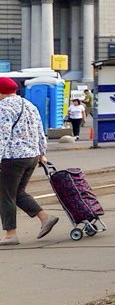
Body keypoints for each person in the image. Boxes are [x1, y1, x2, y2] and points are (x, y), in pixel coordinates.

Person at [0, 76, 58, 245]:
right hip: (31, 156)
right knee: (17, 192)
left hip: (12, 157)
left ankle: (10, 234)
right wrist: (42, 153)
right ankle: (45, 218)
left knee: (5, 194)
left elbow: (2, 135)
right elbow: (40, 130)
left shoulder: (3, 108)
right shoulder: (29, 105)